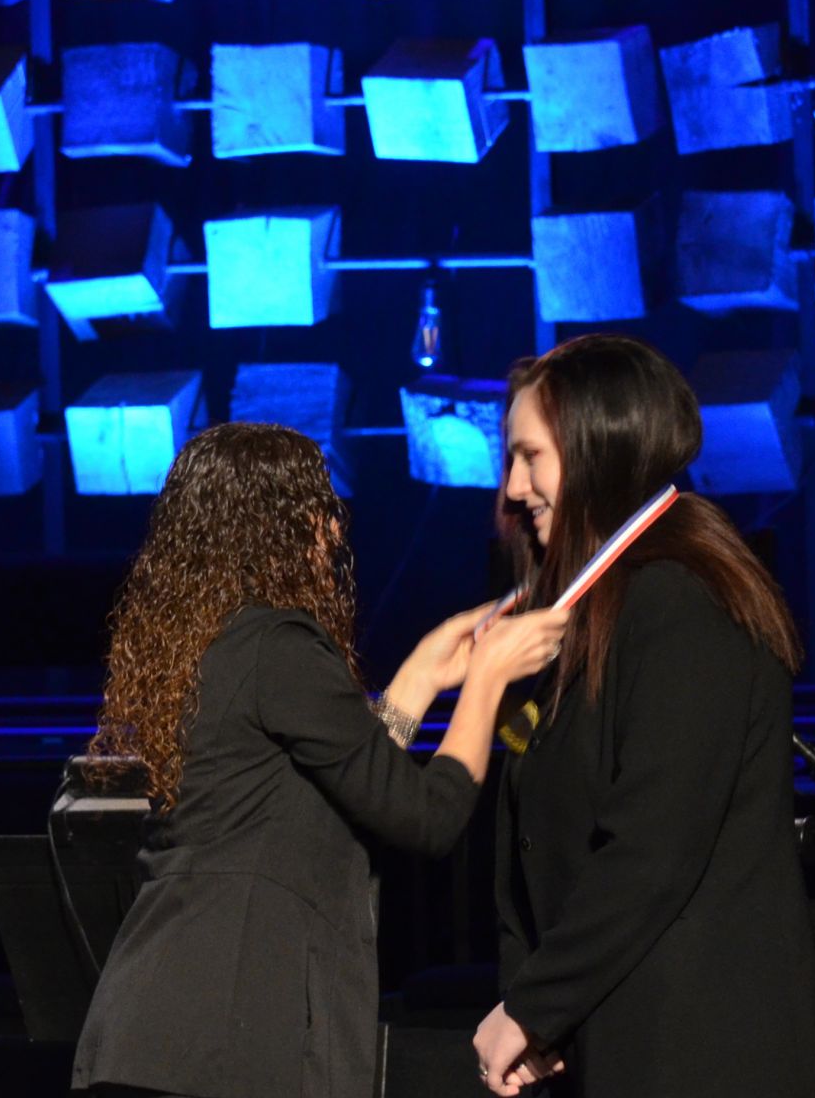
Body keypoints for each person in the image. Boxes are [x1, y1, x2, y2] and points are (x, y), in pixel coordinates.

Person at [71, 422, 567, 1098]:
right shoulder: (278, 641)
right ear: (282, 524)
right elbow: (426, 816)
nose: (333, 533)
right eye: (320, 510)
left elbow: (337, 785)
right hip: (221, 1039)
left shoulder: (218, 646)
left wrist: (418, 679)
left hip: (159, 1034)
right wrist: (486, 682)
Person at [473, 335, 815, 1097]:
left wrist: (534, 1007)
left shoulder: (680, 599)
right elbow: (536, 833)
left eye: (530, 457)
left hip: (699, 1054)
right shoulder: (600, 606)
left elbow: (650, 847)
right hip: (620, 1041)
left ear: (601, 451)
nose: (511, 486)